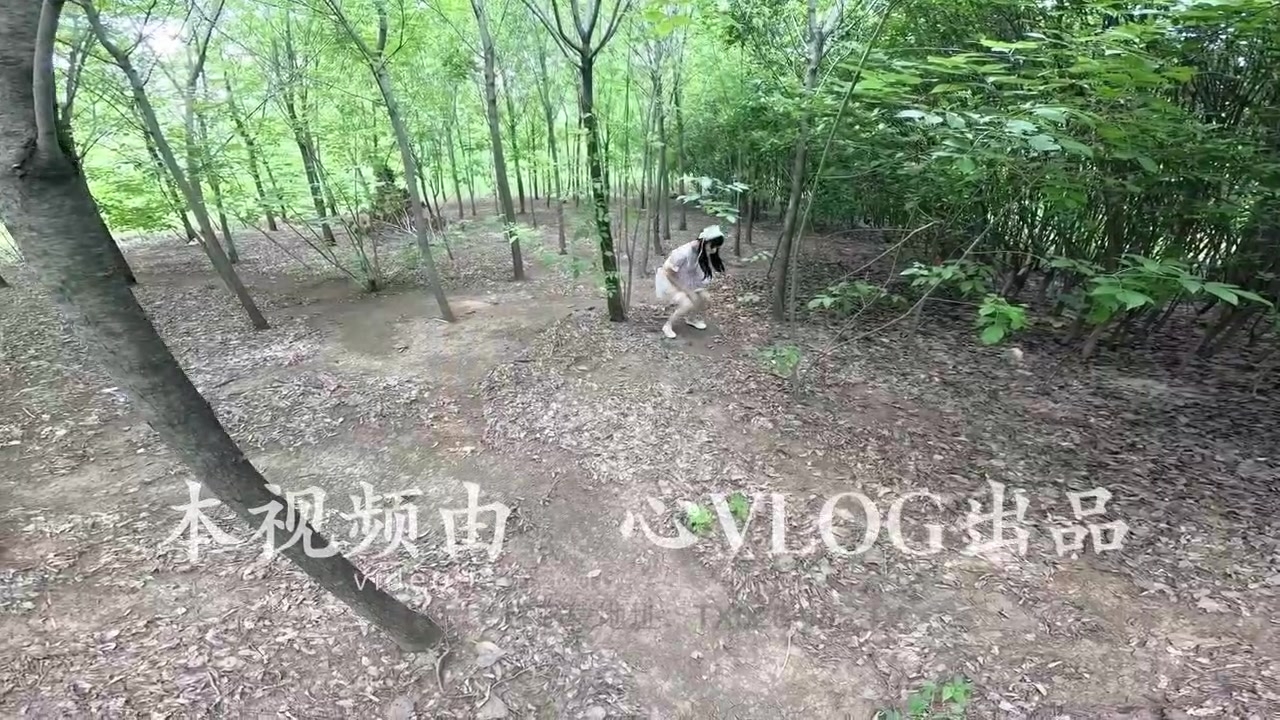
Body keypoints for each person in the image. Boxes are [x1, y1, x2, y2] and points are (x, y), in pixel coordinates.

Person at [654, 224, 727, 338]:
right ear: (705, 242)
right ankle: (668, 325)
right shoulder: (683, 253)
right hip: (670, 280)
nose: (714, 250)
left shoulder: (700, 250)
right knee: (687, 303)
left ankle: (691, 318)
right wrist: (687, 291)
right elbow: (668, 273)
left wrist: (691, 290)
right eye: (713, 246)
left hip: (685, 278)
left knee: (705, 298)